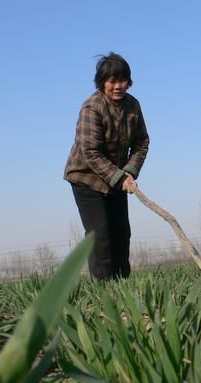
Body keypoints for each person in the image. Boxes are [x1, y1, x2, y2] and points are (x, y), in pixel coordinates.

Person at [64, 52, 149, 279]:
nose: (117, 86)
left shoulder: (133, 106)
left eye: (122, 80)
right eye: (112, 81)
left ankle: (123, 285)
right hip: (86, 178)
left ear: (128, 81)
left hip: (117, 179)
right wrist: (120, 177)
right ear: (102, 82)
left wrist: (129, 172)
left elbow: (142, 142)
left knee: (121, 233)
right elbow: (90, 152)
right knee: (100, 235)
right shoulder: (92, 107)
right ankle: (104, 290)